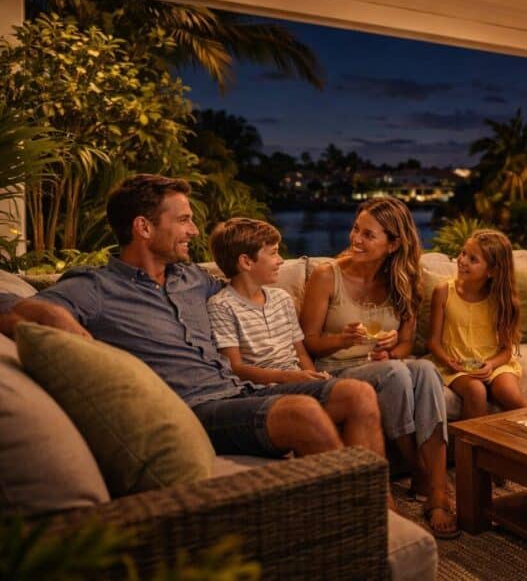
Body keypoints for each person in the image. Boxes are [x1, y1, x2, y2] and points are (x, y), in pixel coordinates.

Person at [13, 174, 384, 463]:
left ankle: (385, 522)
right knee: (301, 412)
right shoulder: (95, 288)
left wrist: (352, 265)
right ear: (143, 227)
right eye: (184, 220)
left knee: (357, 392)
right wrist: (61, 323)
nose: (193, 231)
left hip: (239, 393)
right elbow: (12, 305)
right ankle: (361, 526)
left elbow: (246, 289)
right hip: (191, 409)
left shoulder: (193, 278)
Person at [300, 196, 458, 538]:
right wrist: (343, 340)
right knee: (397, 372)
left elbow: (404, 344)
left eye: (369, 235)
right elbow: (309, 341)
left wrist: (392, 348)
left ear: (393, 243)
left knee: (426, 371)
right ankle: (426, 476)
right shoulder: (327, 276)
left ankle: (436, 489)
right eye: (357, 229)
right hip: (338, 373)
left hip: (385, 368)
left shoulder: (404, 280)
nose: (356, 238)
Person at [206, 218, 330, 386]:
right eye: (273, 253)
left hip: (299, 381)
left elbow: (300, 354)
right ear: (246, 262)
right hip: (267, 389)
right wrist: (287, 378)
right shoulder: (221, 306)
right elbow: (235, 368)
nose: (281, 260)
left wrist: (317, 381)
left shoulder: (282, 298)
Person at [426, 229, 527, 419]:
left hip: (493, 362)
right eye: (463, 253)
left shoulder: (500, 300)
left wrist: (490, 365)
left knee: (508, 392)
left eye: (473, 259)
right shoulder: (443, 292)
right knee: (476, 391)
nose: (462, 260)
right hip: (455, 365)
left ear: (492, 271)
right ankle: (476, 447)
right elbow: (433, 342)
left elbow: (507, 350)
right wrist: (451, 362)